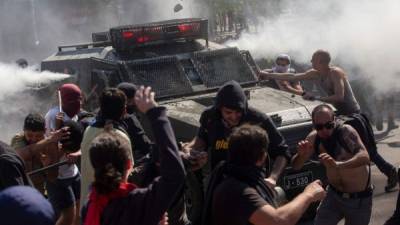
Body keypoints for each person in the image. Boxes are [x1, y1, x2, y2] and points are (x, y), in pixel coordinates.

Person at [259, 49, 398, 192]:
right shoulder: (316, 73)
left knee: (367, 151)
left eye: (314, 59)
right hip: (338, 117)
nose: (311, 62)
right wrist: (268, 74)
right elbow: (293, 76)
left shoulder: (335, 73)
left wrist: (317, 98)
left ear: (322, 61)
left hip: (352, 116)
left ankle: (388, 172)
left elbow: (339, 96)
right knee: (342, 151)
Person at [81, 86, 186, 225]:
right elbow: (175, 175)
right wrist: (155, 113)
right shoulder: (137, 203)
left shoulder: (90, 206)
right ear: (129, 164)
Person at [202, 124, 325, 225]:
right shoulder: (238, 190)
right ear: (262, 157)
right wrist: (308, 194)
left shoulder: (238, 178)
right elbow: (278, 221)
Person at [182, 80, 291, 189]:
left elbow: (282, 151)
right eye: (228, 113)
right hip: (221, 181)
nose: (233, 117)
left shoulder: (259, 120)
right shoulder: (210, 117)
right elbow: (201, 138)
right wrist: (190, 150)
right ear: (220, 109)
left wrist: (273, 178)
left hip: (251, 183)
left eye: (238, 112)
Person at [292, 104, 372, 225]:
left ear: (334, 120)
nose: (325, 130)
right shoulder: (314, 138)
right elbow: (296, 166)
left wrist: (338, 165)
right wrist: (301, 155)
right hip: (333, 196)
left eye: (328, 125)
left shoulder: (346, 132)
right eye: (319, 127)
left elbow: (365, 157)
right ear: (313, 125)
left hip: (358, 199)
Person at [80, 88, 134, 208]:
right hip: (109, 209)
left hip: (88, 204)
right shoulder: (120, 137)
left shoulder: (89, 130)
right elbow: (128, 170)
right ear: (124, 110)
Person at [10, 113, 67, 195]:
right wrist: (49, 139)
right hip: (17, 188)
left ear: (45, 130)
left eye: (38, 136)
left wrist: (47, 167)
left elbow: (53, 177)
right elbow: (21, 154)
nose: (33, 139)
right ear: (23, 130)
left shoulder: (50, 145)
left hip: (36, 191)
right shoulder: (18, 139)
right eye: (29, 135)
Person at [45, 120, 83, 225]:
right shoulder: (51, 142)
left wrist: (76, 153)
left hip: (74, 175)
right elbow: (51, 171)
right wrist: (60, 150)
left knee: (79, 209)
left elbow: (83, 146)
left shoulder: (74, 137)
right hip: (59, 181)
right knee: (68, 215)